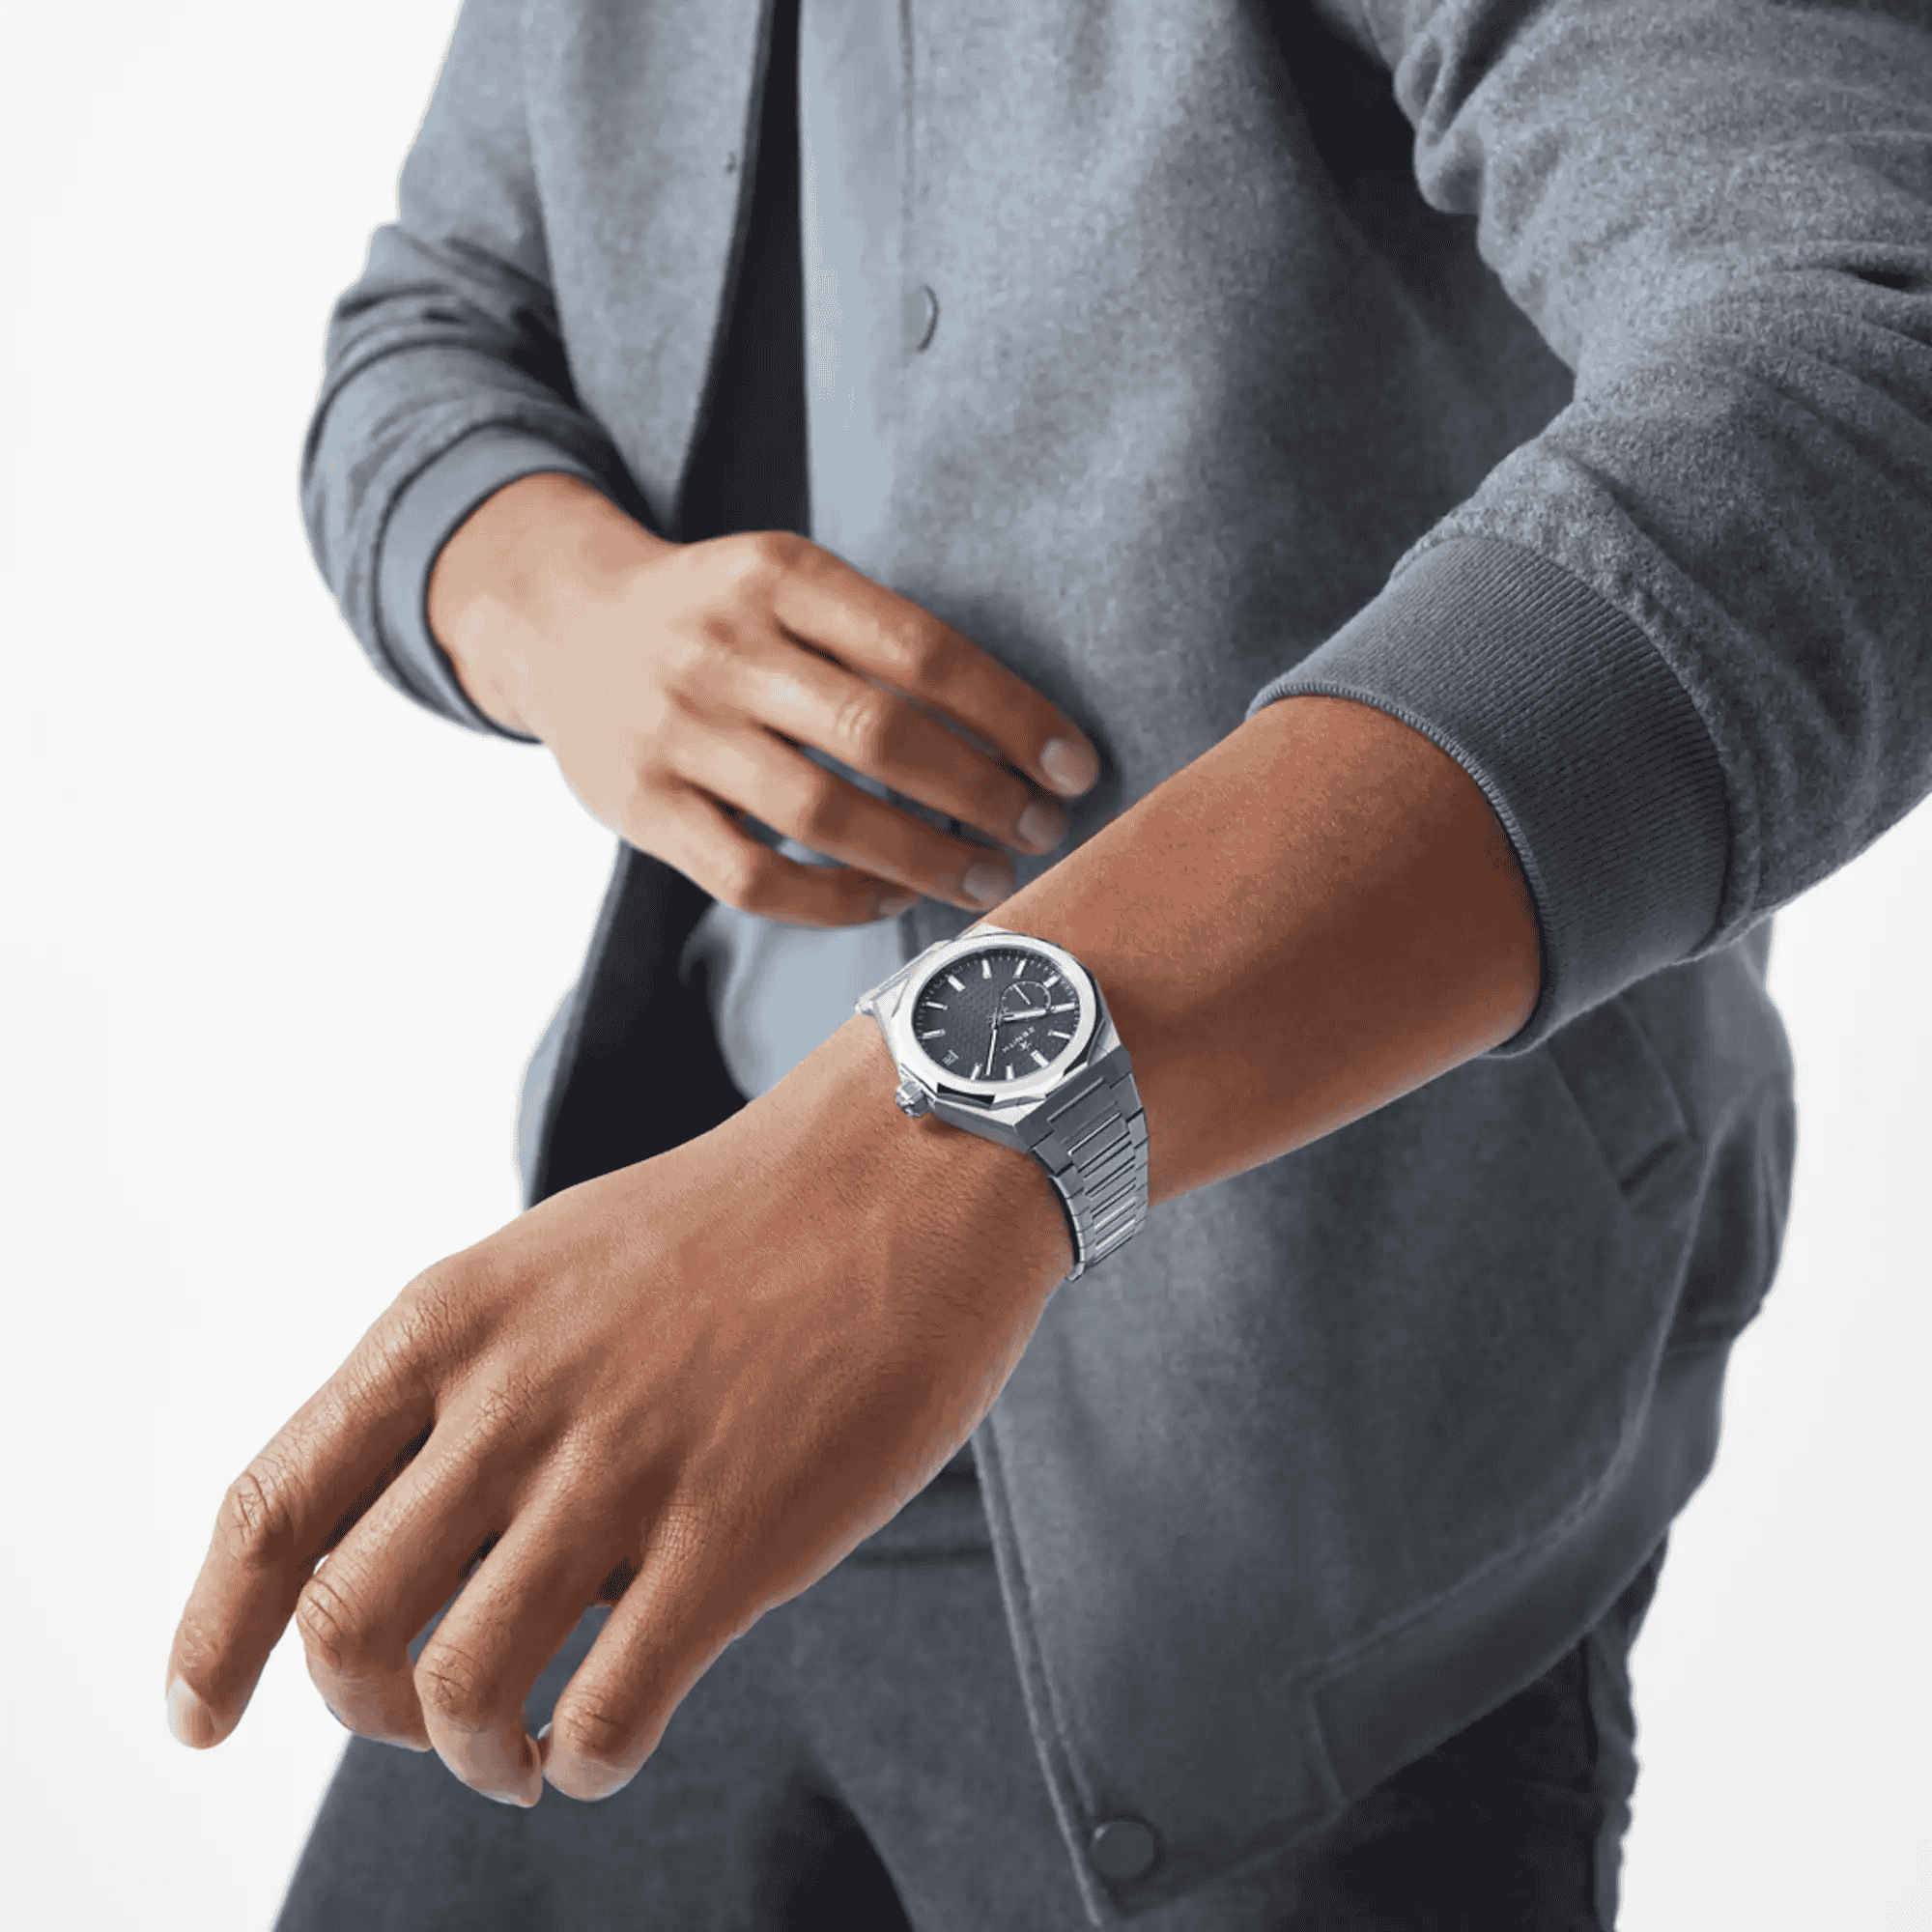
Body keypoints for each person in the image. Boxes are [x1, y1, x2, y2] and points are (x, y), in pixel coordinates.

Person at [166, 1, 1930, 1925]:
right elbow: (434, 322)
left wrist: (941, 1142)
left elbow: (1862, 354)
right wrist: (565, 613)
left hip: (1322, 1446)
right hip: (669, 1337)